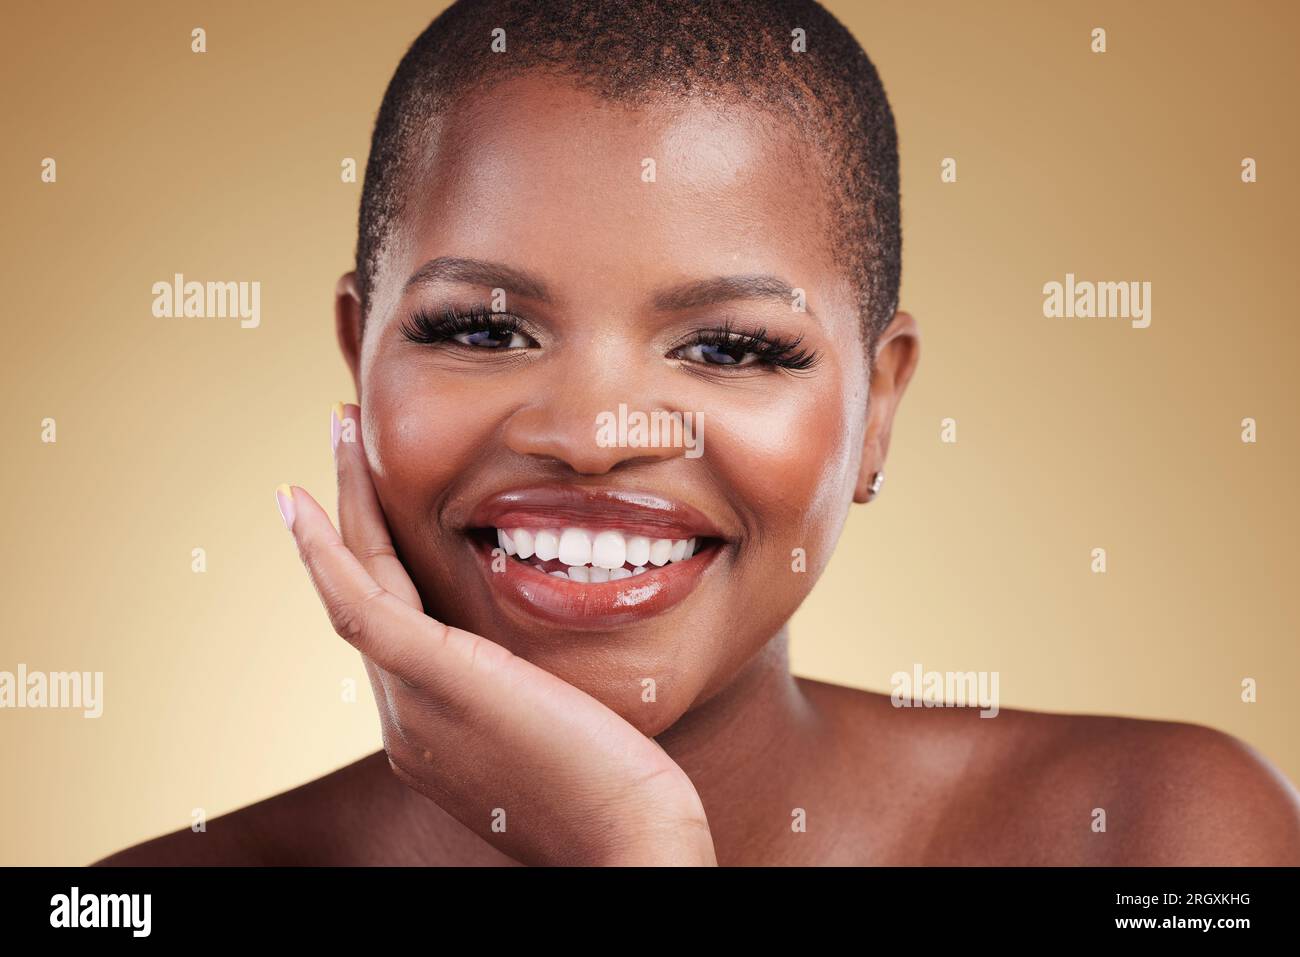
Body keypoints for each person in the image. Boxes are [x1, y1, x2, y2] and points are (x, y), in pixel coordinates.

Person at [95, 0, 1300, 866]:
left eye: (730, 348)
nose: (591, 434)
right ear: (359, 349)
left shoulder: (1162, 836)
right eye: (481, 328)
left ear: (877, 408)